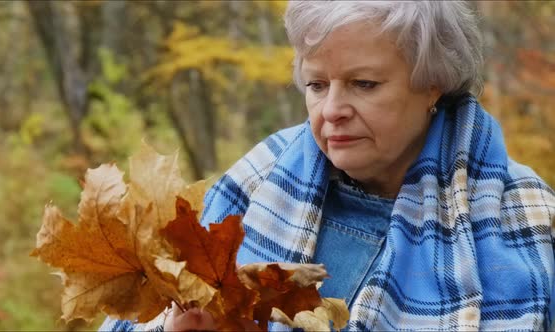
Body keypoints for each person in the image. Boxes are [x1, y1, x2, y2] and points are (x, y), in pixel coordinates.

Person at [100, 1, 555, 331]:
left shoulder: (526, 212)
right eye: (317, 84)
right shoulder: (259, 182)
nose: (332, 109)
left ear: (433, 84)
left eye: (363, 84)